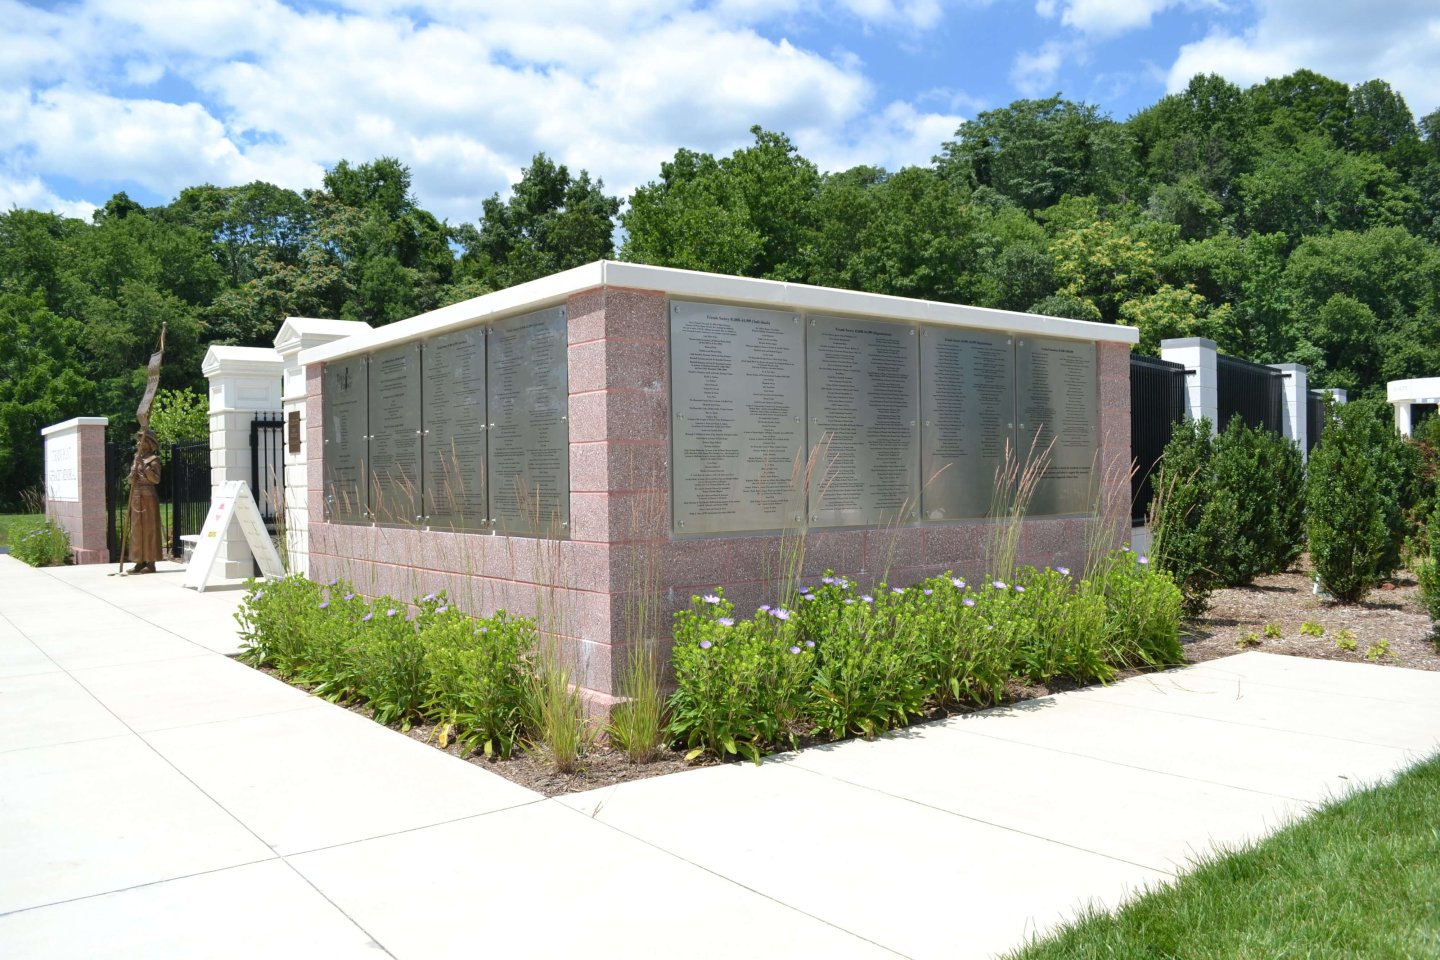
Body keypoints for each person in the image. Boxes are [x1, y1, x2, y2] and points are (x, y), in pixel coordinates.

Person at [128, 429, 163, 574]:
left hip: (148, 496)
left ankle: (150, 562)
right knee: (136, 529)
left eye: (141, 440)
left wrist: (145, 467)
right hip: (136, 495)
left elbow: (156, 480)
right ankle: (139, 561)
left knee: (149, 529)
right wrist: (134, 471)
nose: (138, 443)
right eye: (137, 440)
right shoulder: (136, 459)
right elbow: (130, 480)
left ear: (148, 444)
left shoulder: (154, 460)